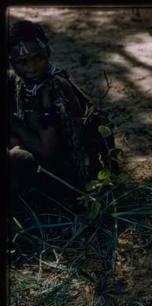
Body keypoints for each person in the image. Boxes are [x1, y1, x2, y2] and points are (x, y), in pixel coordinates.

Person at [8, 20, 116, 199]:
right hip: (43, 157)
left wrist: (13, 123)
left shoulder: (52, 89)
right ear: (11, 62)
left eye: (38, 58)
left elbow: (47, 153)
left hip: (70, 181)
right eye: (22, 62)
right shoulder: (21, 82)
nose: (32, 68)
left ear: (48, 52)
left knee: (16, 159)